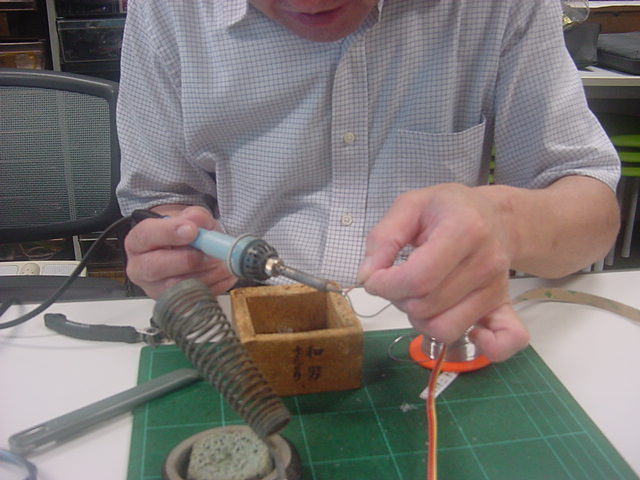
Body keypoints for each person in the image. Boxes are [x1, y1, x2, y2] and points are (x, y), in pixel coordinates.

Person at [116, 0, 621, 362]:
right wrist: (176, 250)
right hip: (241, 327)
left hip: (441, 332)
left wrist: (508, 223)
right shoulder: (167, 11)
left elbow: (593, 215)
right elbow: (161, 199)